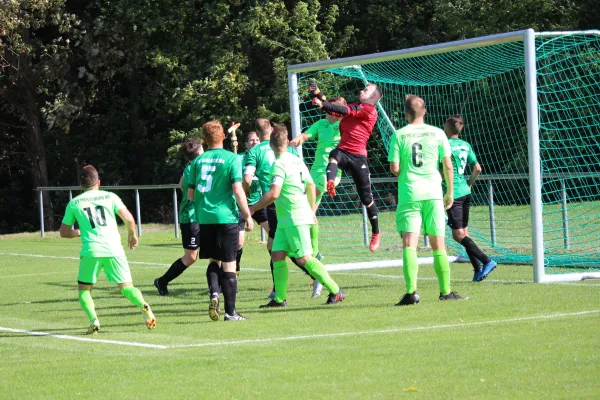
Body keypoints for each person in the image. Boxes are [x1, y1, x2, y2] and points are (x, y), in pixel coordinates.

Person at [250, 125, 345, 308]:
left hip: (294, 218)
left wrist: (252, 208)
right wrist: (311, 209)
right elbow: (310, 185)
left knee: (304, 258)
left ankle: (335, 290)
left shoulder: (278, 165)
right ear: (287, 142)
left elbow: (274, 194)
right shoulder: (296, 160)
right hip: (288, 219)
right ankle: (280, 299)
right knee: (277, 256)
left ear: (270, 144)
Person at [388, 95, 468, 306]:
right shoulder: (438, 133)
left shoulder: (399, 135)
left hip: (409, 194)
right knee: (438, 244)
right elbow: (448, 166)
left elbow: (395, 168)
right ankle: (446, 291)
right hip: (433, 193)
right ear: (425, 111)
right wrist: (449, 192)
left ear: (406, 115)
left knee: (409, 244)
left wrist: (406, 171)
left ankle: (411, 292)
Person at [59, 165, 156, 334]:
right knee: (126, 287)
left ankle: (94, 320)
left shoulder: (74, 203)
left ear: (81, 185)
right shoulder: (110, 197)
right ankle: (142, 304)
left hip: (91, 251)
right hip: (114, 249)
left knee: (84, 290)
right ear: (98, 182)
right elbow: (129, 219)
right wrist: (132, 236)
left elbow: (64, 232)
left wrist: (80, 231)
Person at [188, 120, 254, 321]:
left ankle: (214, 293)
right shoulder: (232, 158)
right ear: (224, 136)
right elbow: (237, 189)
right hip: (226, 216)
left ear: (205, 140)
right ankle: (230, 312)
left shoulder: (197, 162)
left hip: (205, 218)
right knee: (229, 265)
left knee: (213, 261)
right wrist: (248, 215)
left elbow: (190, 194)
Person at [244, 118, 316, 299]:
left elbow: (247, 179)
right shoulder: (290, 150)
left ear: (259, 133)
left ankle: (319, 277)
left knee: (293, 252)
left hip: (276, 204)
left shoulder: (254, 152)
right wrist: (312, 209)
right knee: (275, 248)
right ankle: (278, 293)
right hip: (291, 202)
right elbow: (308, 182)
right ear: (270, 127)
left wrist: (249, 203)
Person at [311, 83, 382, 252]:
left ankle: (376, 232)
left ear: (374, 97)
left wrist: (323, 103)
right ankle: (330, 183)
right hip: (344, 151)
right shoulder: (353, 107)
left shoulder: (369, 110)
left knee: (366, 199)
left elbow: (342, 110)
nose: (361, 91)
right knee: (334, 155)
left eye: (365, 90)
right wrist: (318, 94)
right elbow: (335, 110)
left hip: (358, 157)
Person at [289, 97, 346, 261]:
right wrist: (292, 143)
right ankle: (314, 252)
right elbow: (305, 136)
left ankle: (312, 251)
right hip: (314, 171)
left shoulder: (344, 125)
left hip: (331, 172)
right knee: (308, 211)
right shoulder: (320, 124)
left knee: (308, 209)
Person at [443, 116, 497, 281]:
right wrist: (470, 183)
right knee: (464, 233)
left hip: (454, 194)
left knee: (458, 235)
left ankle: (487, 261)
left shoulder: (444, 145)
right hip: (466, 192)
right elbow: (477, 168)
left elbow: (443, 168)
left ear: (447, 127)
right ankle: (477, 270)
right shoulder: (466, 145)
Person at [154, 139, 204, 295]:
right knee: (191, 257)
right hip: (191, 217)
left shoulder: (191, 167)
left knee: (216, 252)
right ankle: (161, 281)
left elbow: (180, 183)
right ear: (199, 152)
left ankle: (218, 288)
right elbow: (191, 192)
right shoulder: (193, 169)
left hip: (203, 216)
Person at [236, 131, 270, 279]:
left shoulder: (262, 157)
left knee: (275, 235)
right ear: (246, 144)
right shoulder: (239, 159)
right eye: (251, 140)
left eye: (257, 139)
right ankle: (234, 275)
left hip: (259, 203)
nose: (255, 142)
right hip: (241, 206)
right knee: (238, 243)